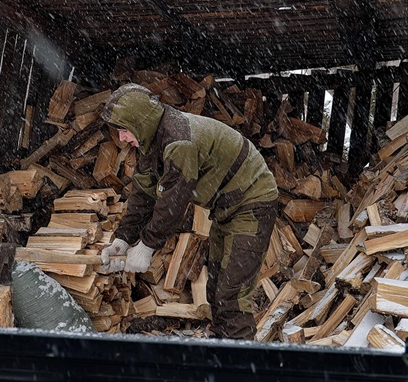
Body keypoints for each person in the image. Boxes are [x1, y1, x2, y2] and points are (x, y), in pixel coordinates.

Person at [99, 83, 278, 340]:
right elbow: (143, 195)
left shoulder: (178, 141)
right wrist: (123, 238)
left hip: (252, 201)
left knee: (232, 291)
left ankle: (240, 363)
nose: (122, 139)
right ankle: (220, 345)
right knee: (216, 283)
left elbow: (174, 202)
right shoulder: (151, 141)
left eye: (124, 130)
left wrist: (147, 246)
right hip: (226, 206)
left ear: (140, 121)